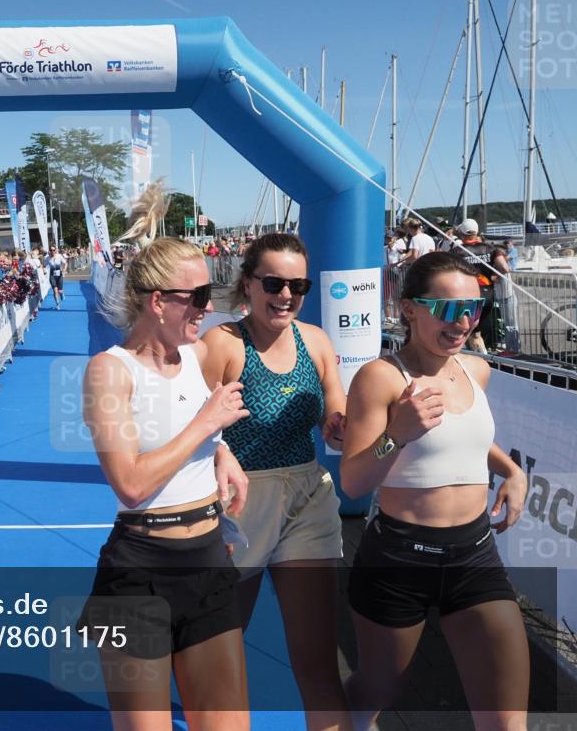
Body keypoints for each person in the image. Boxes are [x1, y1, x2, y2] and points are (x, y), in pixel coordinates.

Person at [82, 182, 250, 730]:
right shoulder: (110, 371)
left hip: (208, 557)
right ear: (159, 302)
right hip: (140, 570)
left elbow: (199, 423)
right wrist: (207, 426)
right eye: (199, 297)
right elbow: (129, 484)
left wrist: (222, 450)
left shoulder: (199, 355)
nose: (209, 306)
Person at [341, 251, 528, 731]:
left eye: (475, 308)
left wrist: (512, 470)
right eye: (447, 309)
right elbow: (355, 481)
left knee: (508, 720)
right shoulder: (381, 377)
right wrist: (396, 433)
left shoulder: (475, 370)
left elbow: (468, 438)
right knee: (371, 693)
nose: (463, 321)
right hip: (399, 559)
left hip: (474, 555)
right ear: (409, 310)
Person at [201, 232, 350, 731]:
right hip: (237, 504)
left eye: (298, 283)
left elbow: (336, 404)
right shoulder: (222, 344)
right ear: (248, 284)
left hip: (307, 496)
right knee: (220, 653)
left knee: (317, 659)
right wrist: (219, 450)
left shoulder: (317, 341)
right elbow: (185, 423)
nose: (287, 294)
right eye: (274, 282)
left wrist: (339, 422)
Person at [490, 246, 521, 353]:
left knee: (511, 325)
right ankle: (511, 348)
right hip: (503, 297)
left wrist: (494, 276)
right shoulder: (496, 266)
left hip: (507, 297)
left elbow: (505, 269)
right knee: (509, 324)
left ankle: (513, 349)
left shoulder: (500, 267)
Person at [46, 245, 67, 310]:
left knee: (60, 291)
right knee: (55, 291)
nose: (52, 251)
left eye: (54, 250)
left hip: (59, 276)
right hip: (52, 276)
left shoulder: (59, 256)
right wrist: (43, 269)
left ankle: (62, 293)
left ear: (55, 250)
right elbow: (43, 265)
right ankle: (57, 304)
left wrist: (64, 269)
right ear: (49, 251)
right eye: (51, 250)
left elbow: (65, 263)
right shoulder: (47, 258)